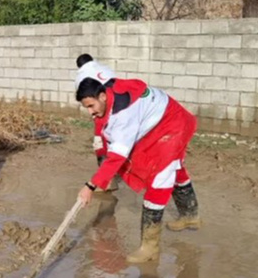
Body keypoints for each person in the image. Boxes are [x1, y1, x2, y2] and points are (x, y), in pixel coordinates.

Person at [74, 67, 202, 263]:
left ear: (102, 96)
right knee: (175, 167)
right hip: (162, 117)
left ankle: (150, 247)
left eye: (91, 106)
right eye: (87, 108)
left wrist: (90, 185)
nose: (91, 113)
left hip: (171, 124)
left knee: (159, 177)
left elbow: (117, 157)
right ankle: (190, 215)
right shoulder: (109, 90)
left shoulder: (124, 114)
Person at [76, 54, 119, 192]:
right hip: (117, 108)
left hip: (103, 111)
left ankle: (107, 182)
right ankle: (113, 174)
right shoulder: (105, 69)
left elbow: (83, 96)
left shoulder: (82, 75)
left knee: (100, 143)